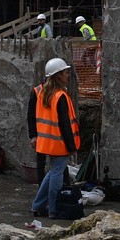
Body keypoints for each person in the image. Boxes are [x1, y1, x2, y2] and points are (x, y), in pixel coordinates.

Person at [27, 58, 80, 219]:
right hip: (59, 143)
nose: (68, 75)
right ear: (58, 75)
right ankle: (53, 209)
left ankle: (37, 205)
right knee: (56, 174)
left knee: (52, 173)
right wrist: (71, 147)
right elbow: (65, 124)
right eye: (65, 72)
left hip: (47, 142)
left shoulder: (42, 93)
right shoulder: (60, 96)